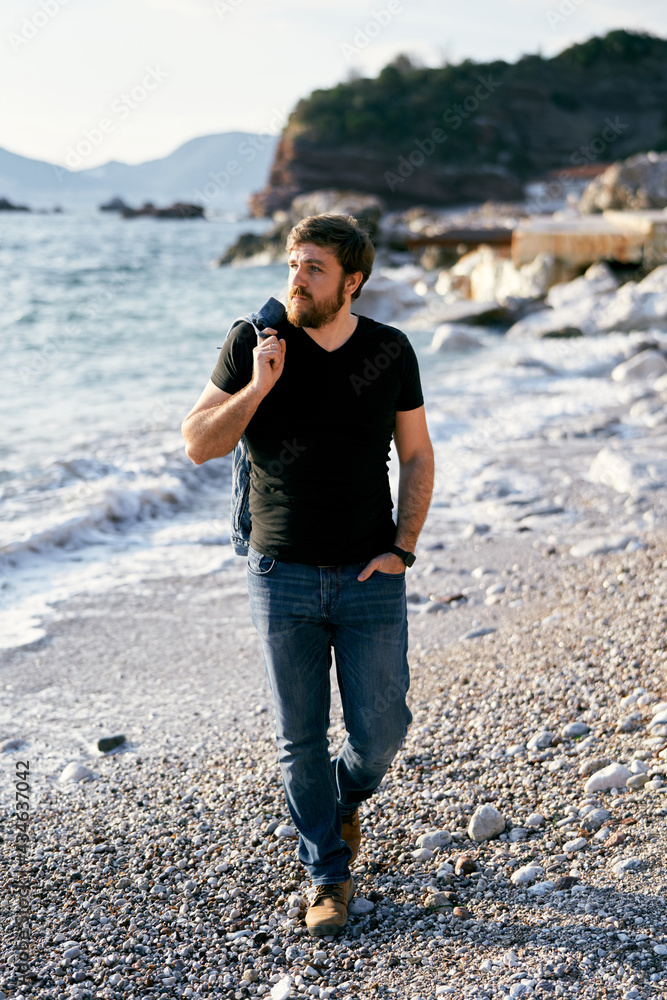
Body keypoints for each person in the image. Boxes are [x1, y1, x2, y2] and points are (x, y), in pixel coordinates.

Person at [182, 214, 434, 936]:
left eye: (314, 267)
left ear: (351, 281)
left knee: (382, 731)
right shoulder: (253, 343)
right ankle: (326, 874)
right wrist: (257, 388)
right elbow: (197, 442)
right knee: (299, 739)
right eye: (292, 263)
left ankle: (340, 801)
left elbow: (416, 454)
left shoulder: (388, 351)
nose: (295, 278)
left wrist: (402, 546)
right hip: (281, 573)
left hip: (369, 572)